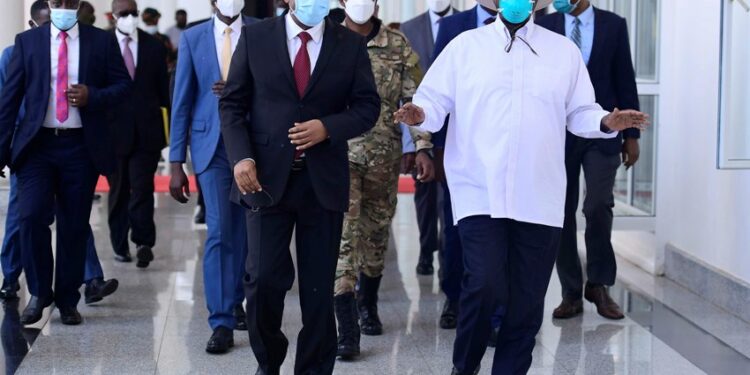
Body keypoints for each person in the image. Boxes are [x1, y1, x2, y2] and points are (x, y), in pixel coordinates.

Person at [394, 0, 649, 373]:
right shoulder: (467, 46)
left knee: (527, 301)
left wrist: (607, 122)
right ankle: (464, 366)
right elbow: (433, 101)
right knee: (482, 284)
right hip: (479, 189)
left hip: (538, 193)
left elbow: (579, 112)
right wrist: (421, 114)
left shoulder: (562, 51)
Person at [219, 0, 380, 371]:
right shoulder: (256, 36)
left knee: (318, 290)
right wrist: (241, 157)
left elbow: (367, 107)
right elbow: (232, 104)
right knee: (262, 281)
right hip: (264, 179)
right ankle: (269, 360)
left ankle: (313, 368)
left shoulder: (349, 45)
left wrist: (328, 127)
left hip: (321, 182)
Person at [0, 0, 131, 326]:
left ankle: (68, 299)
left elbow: (123, 86)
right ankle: (41, 292)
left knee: (74, 226)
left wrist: (93, 96)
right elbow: (9, 99)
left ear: (77, 4)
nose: (62, 6)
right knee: (29, 218)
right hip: (37, 147)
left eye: (68, 1)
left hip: (80, 148)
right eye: (57, 1)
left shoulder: (100, 40)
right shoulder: (27, 42)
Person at [333, 0, 434, 361]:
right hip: (336, 157)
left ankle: (368, 303)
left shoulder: (397, 45)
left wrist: (422, 147)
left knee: (375, 235)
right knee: (344, 235)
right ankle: (346, 328)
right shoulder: (329, 38)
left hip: (383, 159)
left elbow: (415, 101)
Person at [538, 0, 641, 321]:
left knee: (597, 205)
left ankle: (598, 284)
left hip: (603, 131)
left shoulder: (614, 24)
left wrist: (632, 135)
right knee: (561, 210)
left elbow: (624, 76)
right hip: (559, 133)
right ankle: (571, 291)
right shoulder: (546, 26)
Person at [169, 0, 256, 355]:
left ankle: (236, 299)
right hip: (212, 147)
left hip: (253, 144)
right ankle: (220, 320)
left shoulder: (261, 32)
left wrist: (240, 92)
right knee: (220, 230)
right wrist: (176, 160)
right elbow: (182, 100)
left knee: (249, 231)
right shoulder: (192, 38)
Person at [429, 1, 499, 336]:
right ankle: (454, 298)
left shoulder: (529, 27)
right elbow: (437, 94)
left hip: (506, 152)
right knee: (456, 227)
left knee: (502, 231)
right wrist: (438, 148)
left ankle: (497, 310)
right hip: (462, 150)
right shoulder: (454, 27)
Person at [106, 0, 170, 268]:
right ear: (113, 16)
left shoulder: (154, 46)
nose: (130, 18)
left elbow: (164, 92)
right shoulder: (102, 45)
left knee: (143, 188)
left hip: (147, 131)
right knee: (119, 191)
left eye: (134, 13)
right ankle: (120, 245)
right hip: (113, 133)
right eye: (124, 14)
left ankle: (143, 242)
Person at [400, 0, 457, 276]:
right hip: (418, 123)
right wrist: (410, 143)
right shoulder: (409, 28)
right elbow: (405, 89)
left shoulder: (465, 25)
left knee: (450, 197)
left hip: (455, 126)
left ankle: (449, 256)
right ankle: (426, 249)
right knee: (424, 194)